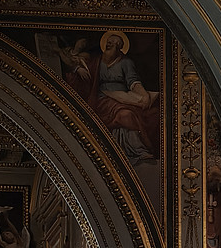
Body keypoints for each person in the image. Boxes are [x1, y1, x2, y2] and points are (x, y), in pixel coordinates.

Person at [64, 31, 160, 164]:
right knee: (123, 115)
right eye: (109, 43)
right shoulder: (95, 61)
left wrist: (144, 94)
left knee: (128, 114)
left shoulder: (126, 62)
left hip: (123, 97)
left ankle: (137, 150)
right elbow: (82, 76)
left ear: (120, 47)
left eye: (115, 44)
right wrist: (77, 70)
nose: (111, 46)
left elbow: (133, 82)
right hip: (102, 99)